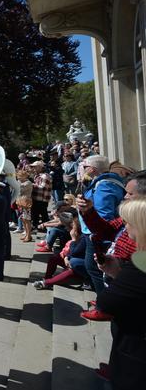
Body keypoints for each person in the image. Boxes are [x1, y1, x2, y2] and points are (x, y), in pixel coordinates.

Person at [95, 197, 146, 390]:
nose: (125, 228)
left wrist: (118, 276)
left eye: (129, 223)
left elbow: (106, 302)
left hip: (137, 353)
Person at [78, 155, 125, 299]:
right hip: (93, 231)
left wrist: (96, 234)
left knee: (94, 268)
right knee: (93, 267)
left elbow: (104, 214)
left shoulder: (104, 185)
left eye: (84, 168)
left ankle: (103, 303)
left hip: (95, 233)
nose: (81, 170)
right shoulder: (102, 182)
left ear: (92, 169)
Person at [16, 170, 34, 242]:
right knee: (23, 219)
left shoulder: (28, 183)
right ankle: (26, 234)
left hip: (26, 203)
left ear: (25, 176)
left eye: (20, 176)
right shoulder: (21, 182)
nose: (18, 178)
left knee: (27, 220)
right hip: (21, 202)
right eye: (18, 176)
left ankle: (29, 235)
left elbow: (19, 189)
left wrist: (17, 183)